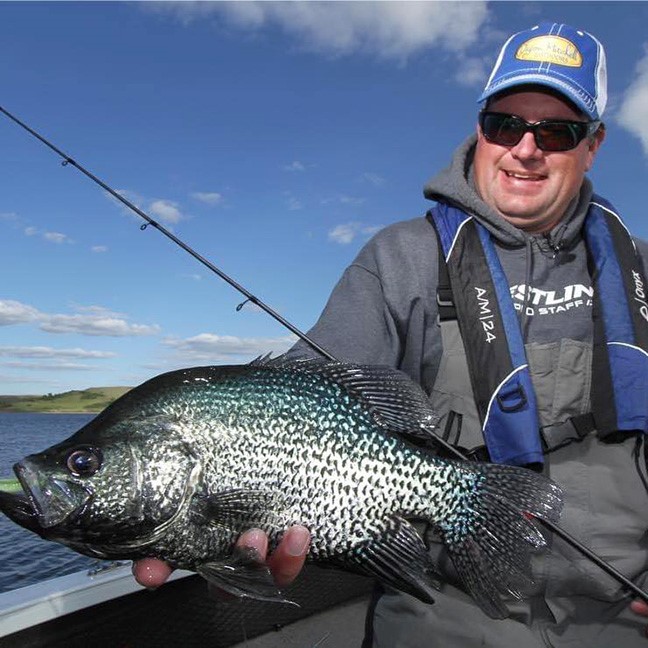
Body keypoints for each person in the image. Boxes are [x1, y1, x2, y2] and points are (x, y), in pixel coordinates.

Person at [134, 22, 648, 647]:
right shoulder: (399, 257)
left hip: (623, 607)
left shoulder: (640, 271)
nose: (526, 147)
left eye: (558, 131)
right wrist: (224, 526)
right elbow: (302, 401)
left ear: (592, 146)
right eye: (505, 124)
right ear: (480, 129)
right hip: (445, 606)